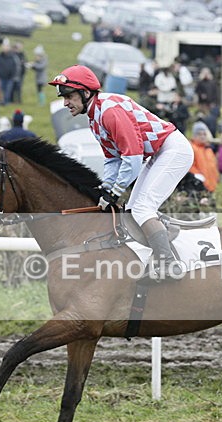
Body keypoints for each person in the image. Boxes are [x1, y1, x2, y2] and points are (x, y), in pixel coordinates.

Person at [49, 65, 194, 280]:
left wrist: (114, 192)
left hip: (172, 150)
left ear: (85, 92)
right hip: (156, 153)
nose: (65, 103)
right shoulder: (94, 117)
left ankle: (169, 264)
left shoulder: (109, 111)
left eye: (69, 96)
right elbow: (113, 158)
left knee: (143, 209)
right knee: (133, 210)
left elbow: (133, 157)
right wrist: (104, 189)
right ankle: (158, 252)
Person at [188, 122, 219, 193]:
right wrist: (198, 177)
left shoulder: (209, 149)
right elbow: (190, 166)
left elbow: (214, 166)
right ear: (194, 136)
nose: (202, 136)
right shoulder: (191, 149)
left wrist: (216, 177)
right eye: (199, 134)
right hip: (198, 187)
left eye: (204, 134)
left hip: (211, 186)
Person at [0, 41, 19, 106]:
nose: (4, 48)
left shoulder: (12, 57)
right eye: (3, 47)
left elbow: (15, 66)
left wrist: (13, 75)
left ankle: (6, 102)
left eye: (6, 47)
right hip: (0, 77)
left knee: (7, 91)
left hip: (9, 78)